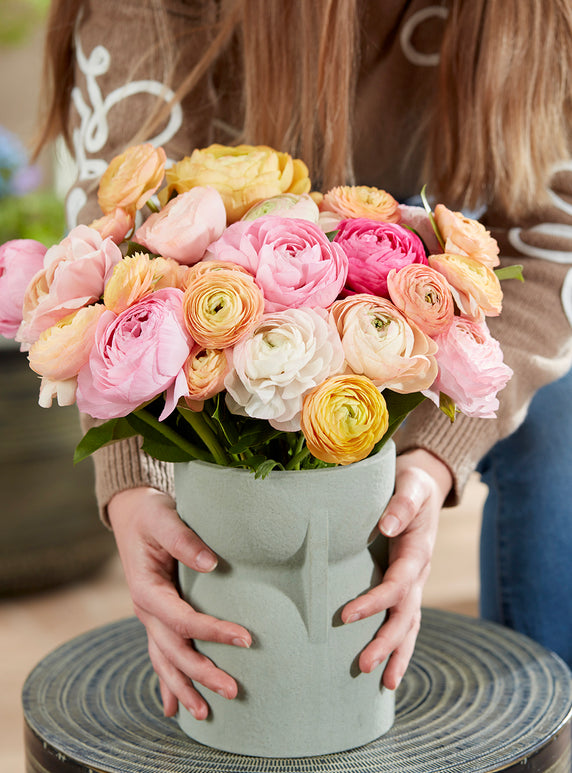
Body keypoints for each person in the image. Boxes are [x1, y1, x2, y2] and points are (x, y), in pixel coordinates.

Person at [35, 0, 572, 721]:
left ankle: (535, 730)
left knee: (560, 434)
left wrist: (434, 458)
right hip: (223, 314)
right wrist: (134, 482)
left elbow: (548, 228)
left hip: (399, 296)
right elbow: (122, 245)